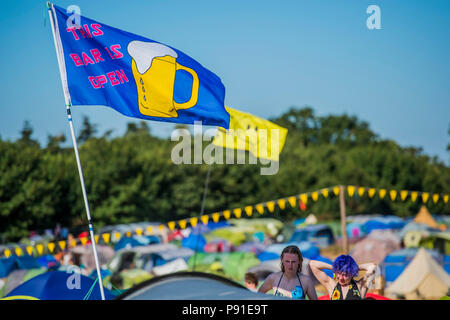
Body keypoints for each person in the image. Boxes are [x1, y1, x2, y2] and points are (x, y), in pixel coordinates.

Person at [309, 255, 376, 300]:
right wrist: (335, 267)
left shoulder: (360, 286)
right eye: (338, 273)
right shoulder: (331, 285)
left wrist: (353, 268)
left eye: (344, 274)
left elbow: (373, 267)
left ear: (351, 273)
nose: (340, 278)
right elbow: (312, 264)